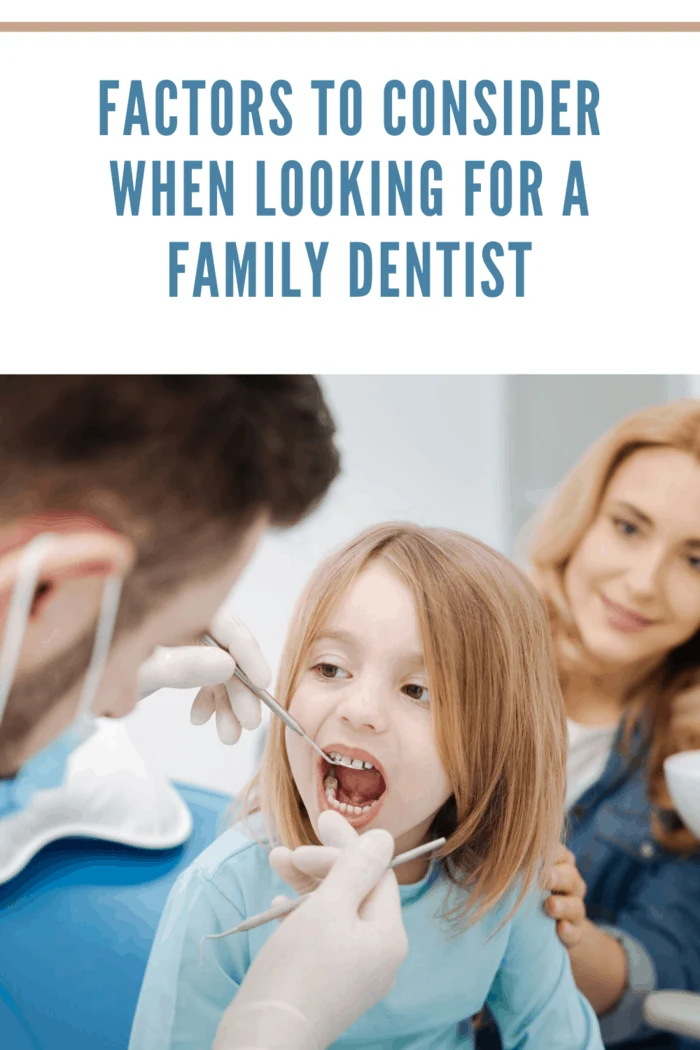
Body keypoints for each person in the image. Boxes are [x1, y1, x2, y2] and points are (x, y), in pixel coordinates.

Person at [0, 375, 407, 1050]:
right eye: (143, 644)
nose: (120, 701)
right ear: (44, 593)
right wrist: (273, 1030)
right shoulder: (212, 887)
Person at [129, 522, 604, 1050]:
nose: (360, 711)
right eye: (330, 668)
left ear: (495, 740)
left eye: (418, 689)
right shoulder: (223, 895)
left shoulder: (504, 889)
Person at [484, 400, 700, 1050]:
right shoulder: (470, 647)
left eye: (696, 561)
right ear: (581, 518)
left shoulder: (691, 767)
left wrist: (554, 929)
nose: (641, 583)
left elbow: (664, 973)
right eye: (629, 528)